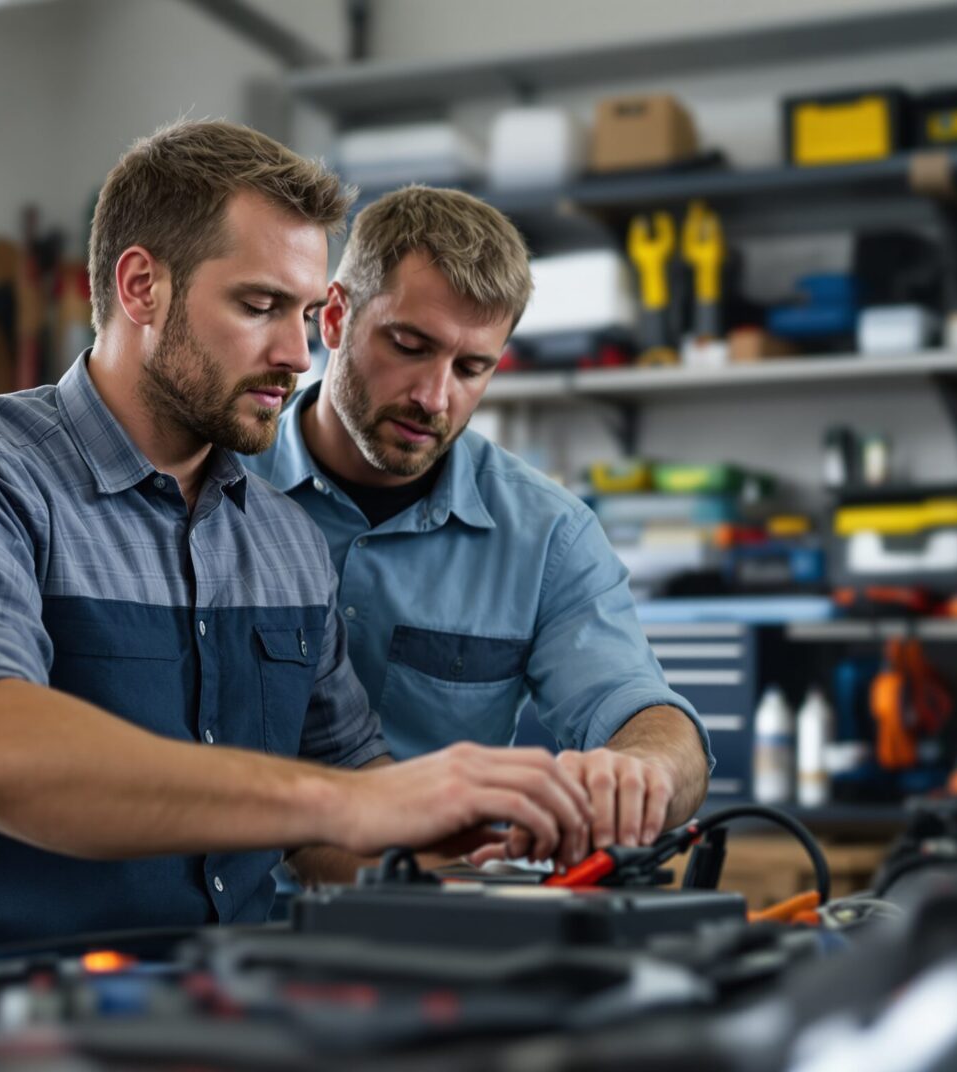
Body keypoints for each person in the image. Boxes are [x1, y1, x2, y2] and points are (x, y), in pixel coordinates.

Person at [0, 123, 592, 966]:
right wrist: (345, 804)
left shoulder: (284, 538)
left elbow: (342, 811)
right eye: (260, 306)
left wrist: (476, 863)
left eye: (304, 313)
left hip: (216, 1013)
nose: (297, 355)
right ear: (141, 287)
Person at [244, 185, 710, 867]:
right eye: (410, 346)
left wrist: (645, 772)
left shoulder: (547, 537)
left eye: (472, 368)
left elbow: (638, 708)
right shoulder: (215, 486)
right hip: (214, 909)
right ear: (336, 318)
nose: (435, 398)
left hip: (436, 907)